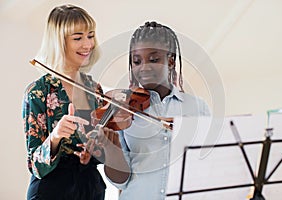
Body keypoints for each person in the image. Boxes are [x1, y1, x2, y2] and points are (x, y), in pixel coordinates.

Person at [22, 4, 129, 200]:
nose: (88, 44)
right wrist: (55, 137)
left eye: (91, 35)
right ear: (59, 42)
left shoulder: (95, 90)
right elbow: (34, 165)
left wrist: (99, 148)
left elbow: (101, 154)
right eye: (78, 38)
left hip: (91, 188)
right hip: (51, 191)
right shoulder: (37, 92)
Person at [107, 21, 211, 199]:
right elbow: (121, 181)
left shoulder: (197, 107)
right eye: (137, 61)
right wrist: (110, 149)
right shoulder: (124, 111)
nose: (144, 67)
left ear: (170, 61)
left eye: (154, 59)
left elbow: (208, 165)